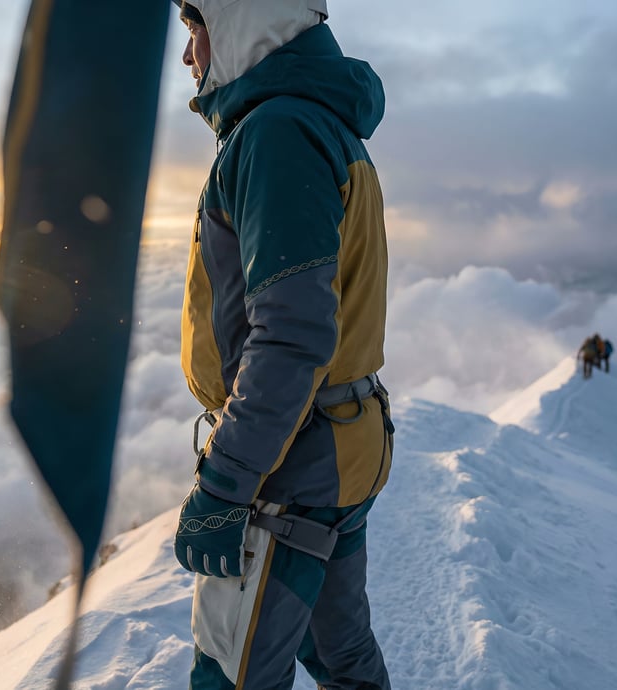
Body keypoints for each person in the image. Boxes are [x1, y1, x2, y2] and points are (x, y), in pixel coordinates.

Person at [170, 1, 393, 688]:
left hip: (288, 466)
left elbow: (289, 338)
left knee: (229, 673)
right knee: (340, 654)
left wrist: (225, 483)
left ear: (239, 24)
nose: (189, 57)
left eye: (196, 31)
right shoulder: (319, 122)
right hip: (340, 444)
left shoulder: (276, 132)